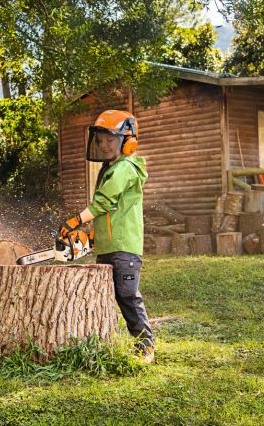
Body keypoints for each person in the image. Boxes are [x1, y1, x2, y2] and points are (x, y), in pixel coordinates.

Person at [59, 110, 155, 363]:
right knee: (105, 297)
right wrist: (90, 237)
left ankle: (146, 346)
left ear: (127, 141)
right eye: (101, 139)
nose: (104, 144)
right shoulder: (110, 168)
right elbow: (109, 214)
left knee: (128, 296)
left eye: (111, 139)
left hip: (124, 248)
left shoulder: (125, 168)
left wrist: (76, 220)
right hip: (110, 246)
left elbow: (103, 203)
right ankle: (107, 342)